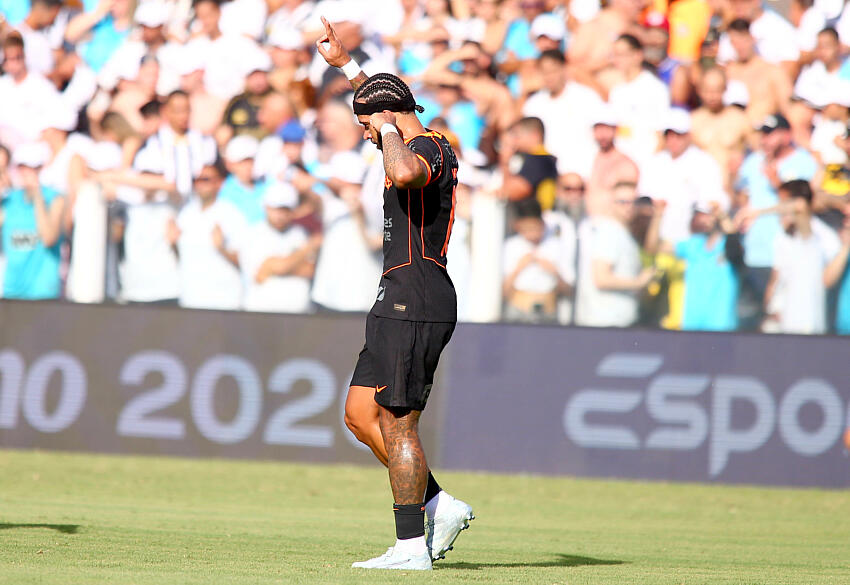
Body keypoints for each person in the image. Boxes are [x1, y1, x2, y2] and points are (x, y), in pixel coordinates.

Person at [316, 16, 472, 571]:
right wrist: (347, 66)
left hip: (420, 294)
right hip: (396, 294)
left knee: (397, 420)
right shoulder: (400, 131)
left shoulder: (430, 147)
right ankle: (438, 503)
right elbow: (384, 103)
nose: (363, 132)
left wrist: (385, 130)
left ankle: (411, 547)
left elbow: (405, 174)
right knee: (361, 414)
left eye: (365, 124)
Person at [575, 180, 656, 327]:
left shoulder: (621, 232)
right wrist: (639, 282)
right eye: (622, 202)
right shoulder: (609, 232)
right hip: (606, 322)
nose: (629, 207)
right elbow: (601, 278)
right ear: (611, 203)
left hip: (614, 321)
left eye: (634, 202)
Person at [765, 180, 839, 334]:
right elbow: (776, 277)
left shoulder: (822, 236)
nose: (780, 208)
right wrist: (771, 306)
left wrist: (755, 212)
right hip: (782, 321)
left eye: (784, 203)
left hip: (808, 322)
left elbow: (829, 280)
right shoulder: (783, 236)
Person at [173, 159, 247, 310]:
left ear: (219, 183)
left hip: (224, 301)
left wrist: (221, 248)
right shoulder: (186, 212)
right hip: (191, 299)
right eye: (196, 180)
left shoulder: (231, 213)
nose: (200, 184)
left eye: (205, 179)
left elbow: (246, 260)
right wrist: (172, 243)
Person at [239, 182, 319, 313]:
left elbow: (309, 270)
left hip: (299, 315)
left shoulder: (301, 233)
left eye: (285, 209)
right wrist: (308, 248)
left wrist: (278, 267)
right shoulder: (252, 234)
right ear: (266, 207)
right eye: (275, 209)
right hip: (259, 313)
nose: (280, 215)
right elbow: (265, 271)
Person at [0, 142, 65, 299]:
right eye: (22, 167)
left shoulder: (55, 198)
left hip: (42, 292)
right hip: (11, 290)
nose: (27, 173)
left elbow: (49, 238)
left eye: (32, 168)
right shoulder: (8, 200)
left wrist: (37, 195)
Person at [502, 197, 572, 323]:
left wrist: (554, 272)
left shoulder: (556, 246)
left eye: (536, 228)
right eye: (527, 229)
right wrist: (518, 269)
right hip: (518, 313)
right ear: (517, 226)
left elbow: (569, 290)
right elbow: (503, 291)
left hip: (549, 313)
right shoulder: (510, 247)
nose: (533, 234)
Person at [501, 116, 558, 211]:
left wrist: (505, 161)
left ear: (534, 135)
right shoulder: (543, 159)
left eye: (517, 135)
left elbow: (511, 192)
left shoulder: (538, 160)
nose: (514, 141)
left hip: (537, 220)